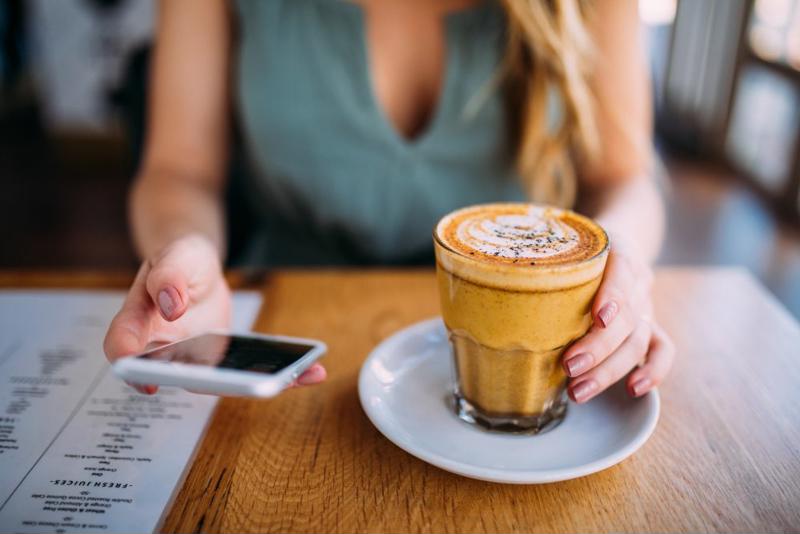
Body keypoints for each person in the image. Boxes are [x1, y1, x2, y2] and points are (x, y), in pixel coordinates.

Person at [104, 0, 674, 402]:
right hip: (281, 336)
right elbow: (178, 171)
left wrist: (620, 261)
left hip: (526, 341)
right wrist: (186, 255)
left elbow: (624, 177)